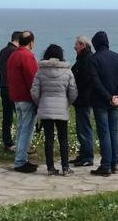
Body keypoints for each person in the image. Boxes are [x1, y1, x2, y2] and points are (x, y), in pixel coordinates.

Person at [31, 44, 78, 176]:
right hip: (62, 108)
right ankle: (65, 168)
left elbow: (34, 92)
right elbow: (73, 91)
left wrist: (41, 102)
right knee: (63, 139)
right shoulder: (67, 71)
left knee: (49, 139)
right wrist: (67, 103)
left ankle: (50, 168)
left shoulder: (40, 71)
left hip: (45, 108)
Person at [89, 31, 118, 176]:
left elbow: (96, 82)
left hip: (101, 102)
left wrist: (108, 97)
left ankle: (105, 166)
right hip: (115, 102)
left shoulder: (94, 59)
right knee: (114, 132)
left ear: (96, 44)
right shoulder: (117, 57)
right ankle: (114, 164)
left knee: (104, 133)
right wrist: (117, 97)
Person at [6, 31, 39, 173]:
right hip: (26, 98)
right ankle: (20, 161)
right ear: (31, 42)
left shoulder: (13, 55)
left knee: (20, 129)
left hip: (16, 98)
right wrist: (37, 99)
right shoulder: (27, 56)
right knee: (26, 130)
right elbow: (33, 80)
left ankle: (20, 158)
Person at [69, 36, 94, 167]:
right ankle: (83, 155)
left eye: (77, 44)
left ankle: (88, 157)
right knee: (81, 128)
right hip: (81, 99)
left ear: (83, 45)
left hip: (84, 100)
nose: (74, 46)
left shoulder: (87, 60)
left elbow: (85, 81)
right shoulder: (83, 59)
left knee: (84, 128)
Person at [0, 31, 23, 152]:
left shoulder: (3, 51)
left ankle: (7, 142)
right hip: (13, 87)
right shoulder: (15, 52)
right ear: (19, 40)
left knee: (7, 116)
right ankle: (21, 143)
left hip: (3, 86)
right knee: (21, 115)